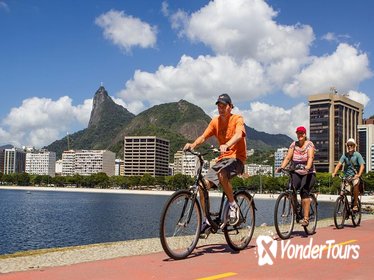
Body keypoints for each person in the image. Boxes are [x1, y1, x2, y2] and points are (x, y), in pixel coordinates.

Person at [184, 93, 247, 231]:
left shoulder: (237, 119)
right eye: (219, 106)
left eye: (223, 106)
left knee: (222, 174)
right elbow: (203, 136)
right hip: (222, 160)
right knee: (201, 186)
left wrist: (227, 144)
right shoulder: (215, 121)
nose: (221, 108)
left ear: (230, 107)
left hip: (237, 159)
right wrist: (193, 145)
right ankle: (207, 220)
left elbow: (238, 134)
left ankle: (232, 204)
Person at [276, 126, 316, 226]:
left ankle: (306, 218)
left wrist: (307, 166)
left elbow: (310, 157)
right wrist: (281, 167)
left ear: (305, 134)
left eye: (302, 133)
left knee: (304, 191)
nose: (300, 135)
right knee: (290, 188)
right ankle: (297, 207)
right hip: (296, 171)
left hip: (308, 173)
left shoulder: (309, 144)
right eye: (298, 133)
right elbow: (288, 157)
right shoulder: (293, 144)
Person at [332, 138, 365, 212]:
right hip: (346, 176)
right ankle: (345, 207)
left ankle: (355, 204)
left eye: (351, 145)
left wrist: (359, 175)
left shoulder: (357, 155)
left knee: (355, 184)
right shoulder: (344, 155)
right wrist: (334, 172)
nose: (349, 146)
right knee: (343, 190)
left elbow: (362, 166)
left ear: (354, 146)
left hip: (355, 176)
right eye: (348, 145)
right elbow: (338, 165)